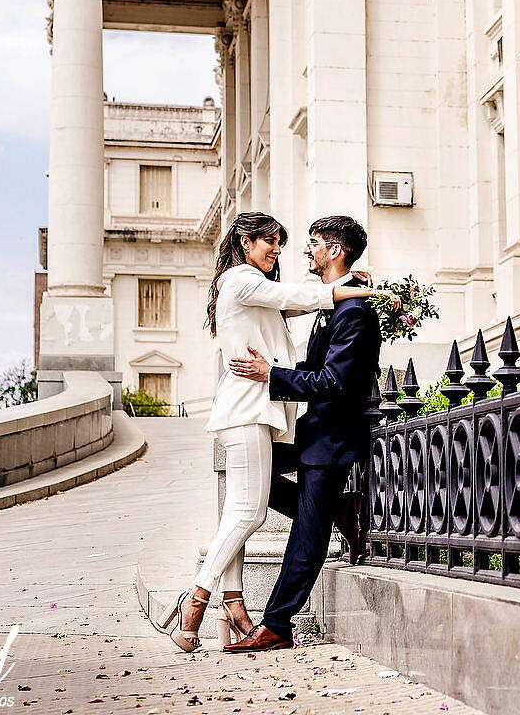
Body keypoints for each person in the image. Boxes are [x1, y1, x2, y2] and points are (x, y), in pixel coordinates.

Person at [155, 212, 394, 654]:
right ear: (245, 243)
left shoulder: (344, 311)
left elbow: (304, 312)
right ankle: (204, 600)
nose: (289, 250)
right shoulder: (241, 279)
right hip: (252, 411)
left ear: (335, 250)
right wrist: (357, 289)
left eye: (309, 242)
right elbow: (295, 297)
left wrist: (361, 291)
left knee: (259, 509)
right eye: (272, 241)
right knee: (251, 510)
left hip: (292, 422)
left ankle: (251, 609)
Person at [219, 214, 381, 653]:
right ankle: (343, 512)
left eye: (313, 243)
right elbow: (296, 316)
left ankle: (276, 625)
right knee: (258, 483)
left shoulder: (356, 313)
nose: (305, 251)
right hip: (314, 431)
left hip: (334, 440)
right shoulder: (335, 305)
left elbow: (333, 381)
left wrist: (271, 375)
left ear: (335, 251)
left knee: (307, 538)